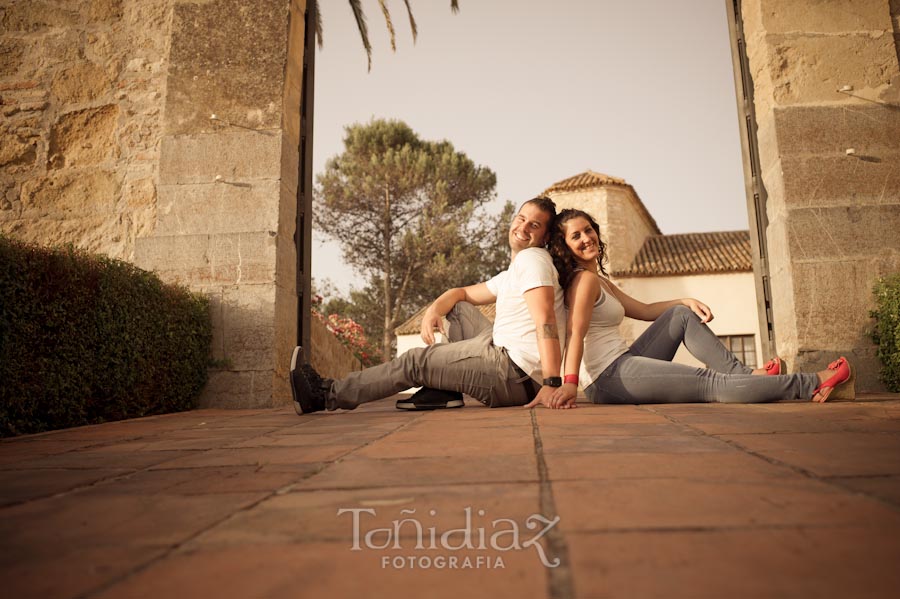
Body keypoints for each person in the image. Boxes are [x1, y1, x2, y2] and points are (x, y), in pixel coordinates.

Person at [529, 208, 851, 409]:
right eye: (576, 235)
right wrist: (568, 381)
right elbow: (575, 333)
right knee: (709, 383)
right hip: (609, 378)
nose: (587, 237)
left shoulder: (598, 279)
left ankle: (744, 374)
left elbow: (642, 309)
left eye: (588, 229)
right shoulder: (583, 282)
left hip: (623, 362)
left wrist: (682, 301)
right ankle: (811, 383)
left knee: (680, 316)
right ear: (565, 246)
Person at [290, 197, 572, 413]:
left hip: (515, 375)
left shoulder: (532, 259)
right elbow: (460, 293)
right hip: (506, 358)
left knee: (415, 361)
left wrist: (551, 384)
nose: (522, 227)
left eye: (534, 225)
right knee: (457, 308)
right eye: (520, 218)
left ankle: (324, 395)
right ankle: (445, 392)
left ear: (546, 237)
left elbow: (545, 320)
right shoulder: (514, 271)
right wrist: (434, 310)